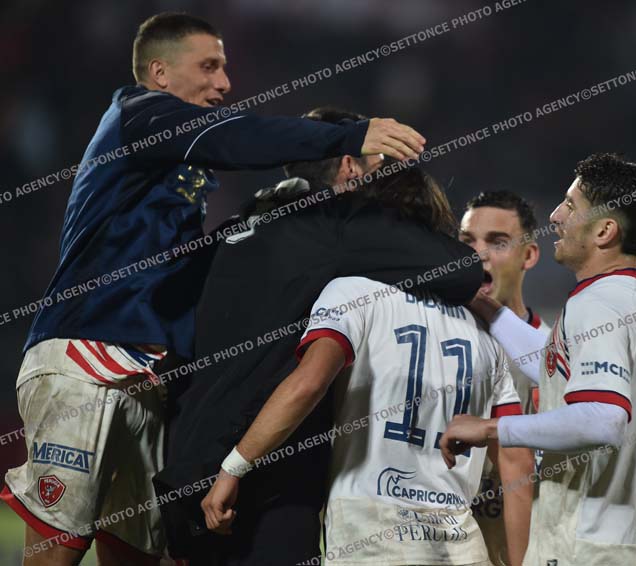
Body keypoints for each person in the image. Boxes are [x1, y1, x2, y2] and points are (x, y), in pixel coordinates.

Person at [1, 12, 424, 565]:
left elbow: (188, 264)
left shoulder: (174, 166)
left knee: (136, 553)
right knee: (60, 546)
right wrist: (349, 134)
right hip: (87, 351)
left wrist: (259, 223)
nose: (224, 82)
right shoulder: (138, 115)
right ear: (159, 73)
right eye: (208, 67)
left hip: (148, 372)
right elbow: (239, 137)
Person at [156, 154, 485, 564]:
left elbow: (176, 326)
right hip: (280, 475)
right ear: (348, 167)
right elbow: (308, 382)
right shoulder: (350, 261)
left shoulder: (238, 233)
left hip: (196, 457)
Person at [441, 153, 636, 565]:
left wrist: (491, 427)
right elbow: (552, 368)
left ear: (604, 230)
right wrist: (483, 304)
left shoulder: (597, 303)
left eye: (570, 205)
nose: (555, 216)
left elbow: (603, 418)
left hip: (586, 548)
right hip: (629, 541)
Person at [459, 191, 549, 565]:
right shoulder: (434, 344)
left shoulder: (553, 359)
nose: (478, 254)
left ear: (528, 255)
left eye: (497, 243)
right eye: (467, 241)